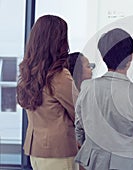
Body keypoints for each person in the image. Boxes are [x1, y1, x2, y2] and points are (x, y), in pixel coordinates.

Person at [74, 28, 133, 170]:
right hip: (127, 165)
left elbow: (79, 128)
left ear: (103, 56)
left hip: (91, 163)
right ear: (130, 57)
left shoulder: (87, 87)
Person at [16, 15, 79, 170]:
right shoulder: (59, 76)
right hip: (59, 152)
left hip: (36, 151)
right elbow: (80, 113)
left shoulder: (28, 72)